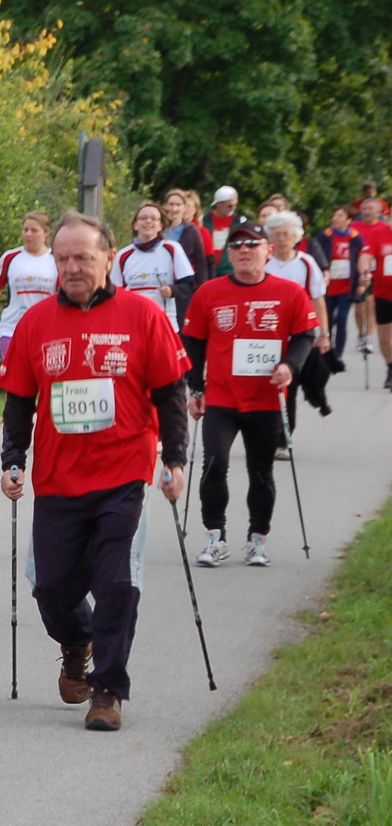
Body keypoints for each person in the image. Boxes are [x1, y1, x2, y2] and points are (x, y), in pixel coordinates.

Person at [0, 211, 191, 732]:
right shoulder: (35, 324)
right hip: (59, 479)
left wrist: (174, 459)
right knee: (52, 587)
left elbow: (171, 393)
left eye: (83, 256)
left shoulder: (143, 316)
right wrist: (12, 460)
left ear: (109, 257)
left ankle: (108, 689)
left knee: (116, 582)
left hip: (123, 473)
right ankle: (76, 641)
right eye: (63, 259)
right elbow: (18, 401)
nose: (73, 267)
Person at [182, 222, 317, 568]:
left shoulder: (289, 293)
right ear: (229, 254)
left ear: (268, 251)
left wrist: (290, 365)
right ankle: (215, 536)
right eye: (237, 246)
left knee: (261, 472)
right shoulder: (209, 293)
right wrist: (195, 388)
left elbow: (305, 336)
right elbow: (193, 344)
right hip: (222, 399)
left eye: (253, 245)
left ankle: (257, 539)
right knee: (214, 465)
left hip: (266, 399)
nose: (244, 251)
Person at [263, 210, 331, 440]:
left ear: (296, 237)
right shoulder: (264, 263)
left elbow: (317, 298)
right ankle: (276, 433)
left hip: (301, 335)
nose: (282, 239)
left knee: (292, 384)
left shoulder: (306, 263)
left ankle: (284, 436)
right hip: (270, 335)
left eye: (286, 234)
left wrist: (324, 333)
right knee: (280, 389)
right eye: (277, 234)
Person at [0, 211, 59, 358]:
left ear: (46, 233)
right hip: (11, 328)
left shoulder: (56, 259)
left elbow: (63, 295)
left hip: (45, 330)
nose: (28, 234)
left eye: (34, 231)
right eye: (25, 230)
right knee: (12, 377)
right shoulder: (10, 257)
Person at [109, 202, 195, 331]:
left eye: (153, 218)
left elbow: (189, 284)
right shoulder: (123, 255)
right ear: (135, 225)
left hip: (165, 325)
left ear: (160, 226)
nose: (148, 221)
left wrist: (172, 290)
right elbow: (114, 293)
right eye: (143, 218)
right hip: (133, 325)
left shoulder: (172, 249)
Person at [317, 205, 369, 354]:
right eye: (335, 215)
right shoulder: (325, 235)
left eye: (340, 216)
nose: (335, 218)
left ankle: (338, 353)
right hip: (328, 285)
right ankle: (326, 349)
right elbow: (317, 255)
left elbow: (362, 259)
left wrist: (361, 282)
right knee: (327, 319)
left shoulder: (355, 237)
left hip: (346, 285)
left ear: (349, 220)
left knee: (341, 318)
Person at [355, 197, 392, 388]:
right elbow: (365, 256)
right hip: (384, 294)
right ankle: (391, 367)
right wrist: (365, 272)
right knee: (385, 337)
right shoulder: (379, 233)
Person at [201, 186, 251, 277]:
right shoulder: (204, 220)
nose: (232, 208)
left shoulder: (241, 221)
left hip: (230, 271)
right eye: (229, 205)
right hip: (207, 269)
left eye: (235, 205)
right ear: (218, 204)